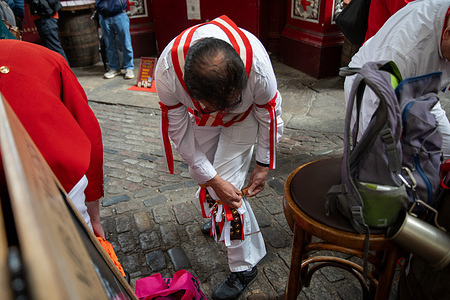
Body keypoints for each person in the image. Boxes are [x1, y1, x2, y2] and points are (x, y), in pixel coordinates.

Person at [155, 15, 284, 300]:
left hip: (246, 118)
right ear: (192, 91)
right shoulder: (167, 73)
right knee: (212, 181)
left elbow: (270, 116)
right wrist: (210, 179)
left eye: (232, 99)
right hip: (202, 118)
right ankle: (218, 217)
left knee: (228, 190)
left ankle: (244, 266)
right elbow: (181, 135)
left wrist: (263, 165)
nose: (224, 109)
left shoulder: (259, 68)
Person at [344, 0, 450, 297]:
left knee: (447, 145)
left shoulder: (440, 35)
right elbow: (372, 119)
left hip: (420, 91)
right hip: (374, 86)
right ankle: (380, 244)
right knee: (375, 169)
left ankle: (431, 212)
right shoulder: (407, 47)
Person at [0, 39, 105, 238]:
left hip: (50, 165)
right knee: (78, 242)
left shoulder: (46, 57)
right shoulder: (46, 56)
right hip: (54, 167)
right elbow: (89, 132)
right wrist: (93, 217)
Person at [95, 0, 135, 79]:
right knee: (109, 45)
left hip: (119, 14)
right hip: (104, 16)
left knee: (126, 43)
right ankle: (114, 68)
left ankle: (129, 67)